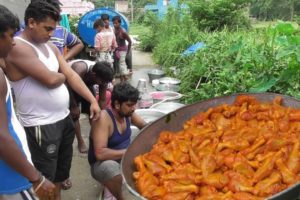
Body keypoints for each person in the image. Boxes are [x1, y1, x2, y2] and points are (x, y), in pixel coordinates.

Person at [4, 1, 100, 199]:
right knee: (44, 179)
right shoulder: (18, 47)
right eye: (47, 28)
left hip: (63, 119)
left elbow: (71, 76)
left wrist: (92, 100)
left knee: (59, 175)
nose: (51, 34)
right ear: (31, 23)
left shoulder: (49, 46)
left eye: (53, 29)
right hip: (41, 125)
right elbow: (50, 80)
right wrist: (61, 74)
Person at [0, 5, 56, 200]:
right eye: (9, 35)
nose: (13, 42)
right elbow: (1, 136)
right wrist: (36, 178)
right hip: (11, 175)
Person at [88, 83, 147, 200]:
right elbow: (100, 154)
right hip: (102, 163)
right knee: (111, 169)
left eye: (134, 105)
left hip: (123, 157)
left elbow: (144, 126)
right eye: (130, 105)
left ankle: (115, 185)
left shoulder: (128, 113)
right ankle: (120, 197)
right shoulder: (103, 119)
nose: (133, 108)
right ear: (117, 104)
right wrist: (130, 152)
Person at [112, 15, 132, 83]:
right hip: (116, 50)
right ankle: (123, 78)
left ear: (120, 23)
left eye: (116, 23)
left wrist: (128, 51)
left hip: (122, 50)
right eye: (114, 23)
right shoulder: (113, 30)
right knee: (118, 65)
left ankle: (124, 78)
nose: (115, 24)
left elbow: (130, 41)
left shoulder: (123, 32)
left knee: (122, 64)